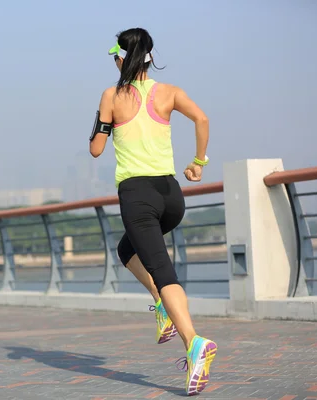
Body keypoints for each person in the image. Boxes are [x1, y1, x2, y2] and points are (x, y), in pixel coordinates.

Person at [88, 27, 216, 396]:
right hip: (171, 197)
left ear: (121, 59)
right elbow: (203, 120)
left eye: (115, 55)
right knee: (128, 251)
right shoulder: (169, 92)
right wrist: (198, 163)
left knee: (162, 270)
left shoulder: (111, 96)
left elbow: (96, 149)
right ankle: (162, 305)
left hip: (138, 196)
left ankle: (194, 343)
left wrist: (101, 120)